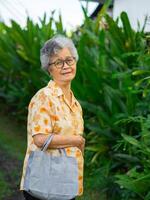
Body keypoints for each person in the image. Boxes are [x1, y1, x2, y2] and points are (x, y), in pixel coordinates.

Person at [20, 34, 85, 200]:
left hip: (66, 183)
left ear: (75, 62)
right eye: (58, 62)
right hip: (45, 184)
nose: (66, 66)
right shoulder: (44, 97)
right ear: (49, 69)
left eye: (69, 60)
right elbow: (40, 139)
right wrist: (76, 140)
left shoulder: (75, 104)